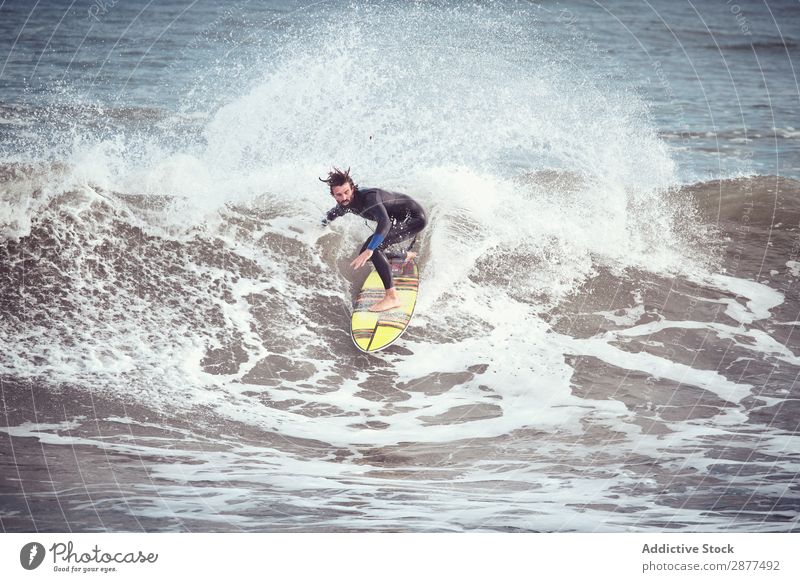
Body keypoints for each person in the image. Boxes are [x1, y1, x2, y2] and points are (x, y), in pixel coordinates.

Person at [320, 167, 427, 312]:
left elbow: (385, 222)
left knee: (373, 249)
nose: (344, 197)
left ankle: (392, 297)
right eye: (339, 195)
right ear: (333, 195)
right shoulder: (346, 204)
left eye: (347, 192)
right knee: (365, 254)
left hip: (414, 218)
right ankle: (404, 256)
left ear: (353, 188)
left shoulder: (370, 198)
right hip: (399, 218)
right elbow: (331, 214)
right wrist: (317, 229)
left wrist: (371, 249)